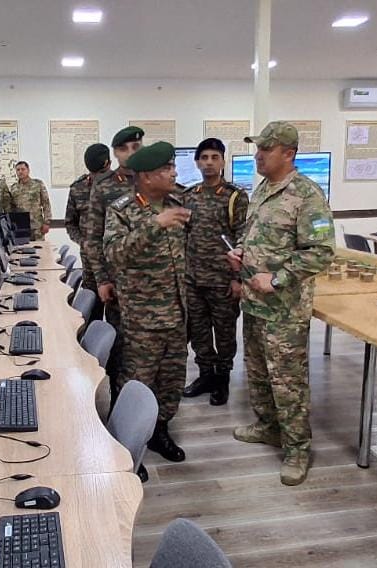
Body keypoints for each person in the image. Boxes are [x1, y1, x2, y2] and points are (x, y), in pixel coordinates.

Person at [227, 122, 335, 486]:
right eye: (258, 148)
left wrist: (276, 278)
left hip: (285, 309)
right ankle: (268, 427)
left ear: (288, 153)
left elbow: (321, 252)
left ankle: (297, 448)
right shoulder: (262, 190)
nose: (257, 155)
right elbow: (256, 234)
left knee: (288, 380)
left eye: (265, 149)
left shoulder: (307, 195)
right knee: (257, 371)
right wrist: (242, 252)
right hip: (255, 303)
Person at [104, 141, 191, 464]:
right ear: (147, 177)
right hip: (142, 316)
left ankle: (159, 430)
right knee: (137, 380)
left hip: (177, 312)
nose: (173, 173)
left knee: (172, 379)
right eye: (166, 169)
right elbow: (114, 254)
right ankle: (127, 448)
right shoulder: (122, 210)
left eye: (172, 167)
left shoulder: (177, 201)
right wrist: (154, 226)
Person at [181, 138, 248, 406]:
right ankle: (205, 375)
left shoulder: (234, 196)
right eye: (204, 157)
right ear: (197, 161)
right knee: (198, 332)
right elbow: (182, 235)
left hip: (222, 279)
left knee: (224, 332)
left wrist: (237, 278)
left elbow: (242, 236)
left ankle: (222, 380)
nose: (209, 162)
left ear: (222, 161)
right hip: (194, 279)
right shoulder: (189, 195)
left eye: (214, 157)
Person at [83, 126, 144, 401]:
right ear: (115, 153)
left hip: (152, 283)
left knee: (150, 349)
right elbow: (93, 238)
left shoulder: (151, 178)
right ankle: (121, 398)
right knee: (121, 344)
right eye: (124, 148)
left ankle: (153, 410)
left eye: (136, 147)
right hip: (118, 283)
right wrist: (102, 279)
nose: (131, 153)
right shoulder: (104, 186)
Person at [65, 143, 111, 293]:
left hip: (115, 260)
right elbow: (70, 223)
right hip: (90, 260)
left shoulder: (121, 188)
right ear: (108, 163)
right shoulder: (77, 188)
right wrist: (82, 242)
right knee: (91, 302)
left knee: (116, 309)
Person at [6, 161, 52, 240]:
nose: (20, 172)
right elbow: (11, 208)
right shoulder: (13, 188)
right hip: (21, 227)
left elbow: (46, 203)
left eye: (23, 169)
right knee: (23, 249)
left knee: (40, 250)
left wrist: (47, 222)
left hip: (37, 226)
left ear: (28, 170)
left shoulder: (38, 184)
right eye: (18, 170)